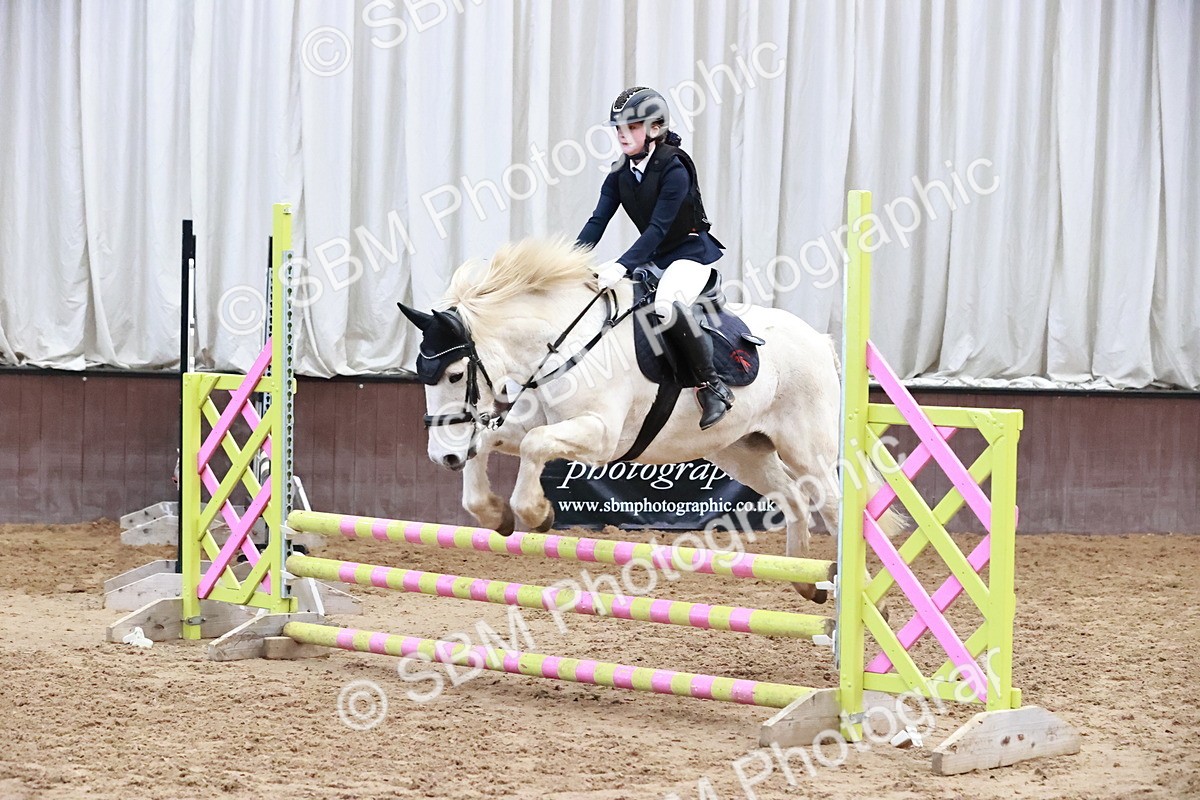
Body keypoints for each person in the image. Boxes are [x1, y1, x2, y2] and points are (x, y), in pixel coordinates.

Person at [576, 86, 734, 430]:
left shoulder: (674, 168)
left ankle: (713, 386)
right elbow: (597, 221)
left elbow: (658, 229)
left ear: (655, 128)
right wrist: (571, 263)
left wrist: (622, 265)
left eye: (631, 127)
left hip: (688, 255)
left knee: (666, 307)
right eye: (618, 128)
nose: (622, 135)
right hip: (654, 257)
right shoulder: (620, 173)